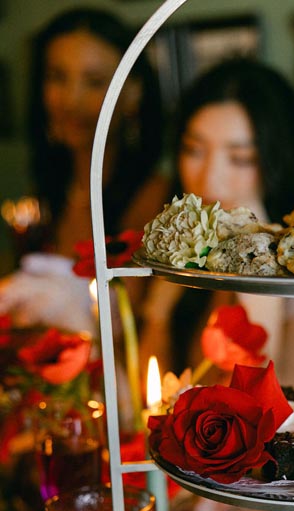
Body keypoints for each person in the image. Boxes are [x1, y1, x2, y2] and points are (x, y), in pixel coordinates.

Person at [138, 57, 294, 389]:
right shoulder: (168, 242)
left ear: (276, 162)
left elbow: (277, 414)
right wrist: (157, 314)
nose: (211, 179)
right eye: (193, 150)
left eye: (240, 159)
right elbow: (144, 401)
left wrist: (257, 267)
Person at [0, 6, 168, 329]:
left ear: (133, 93)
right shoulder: (46, 193)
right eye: (57, 77)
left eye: (93, 82)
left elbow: (127, 326)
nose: (70, 100)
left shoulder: (154, 200)